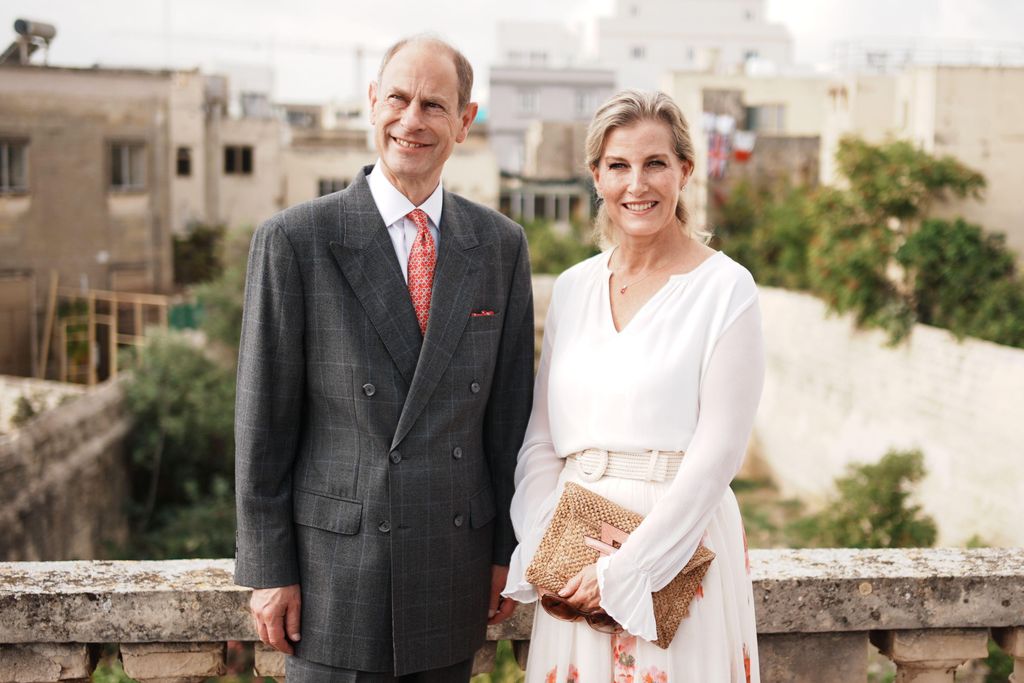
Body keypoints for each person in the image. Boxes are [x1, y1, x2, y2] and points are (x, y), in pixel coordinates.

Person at [234, 34, 534, 682]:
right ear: (372, 103)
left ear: (465, 120)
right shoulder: (295, 241)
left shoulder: (501, 246)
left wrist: (509, 548)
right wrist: (268, 568)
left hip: (453, 568)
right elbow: (262, 424)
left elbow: (510, 418)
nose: (412, 120)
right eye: (397, 98)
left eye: (433, 104)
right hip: (333, 580)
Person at [502, 89, 764, 682]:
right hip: (573, 547)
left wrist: (628, 571)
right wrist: (548, 545)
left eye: (655, 164)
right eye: (618, 165)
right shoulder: (572, 287)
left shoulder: (726, 289)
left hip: (676, 551)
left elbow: (718, 453)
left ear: (685, 172)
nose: (636, 184)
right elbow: (541, 439)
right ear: (596, 176)